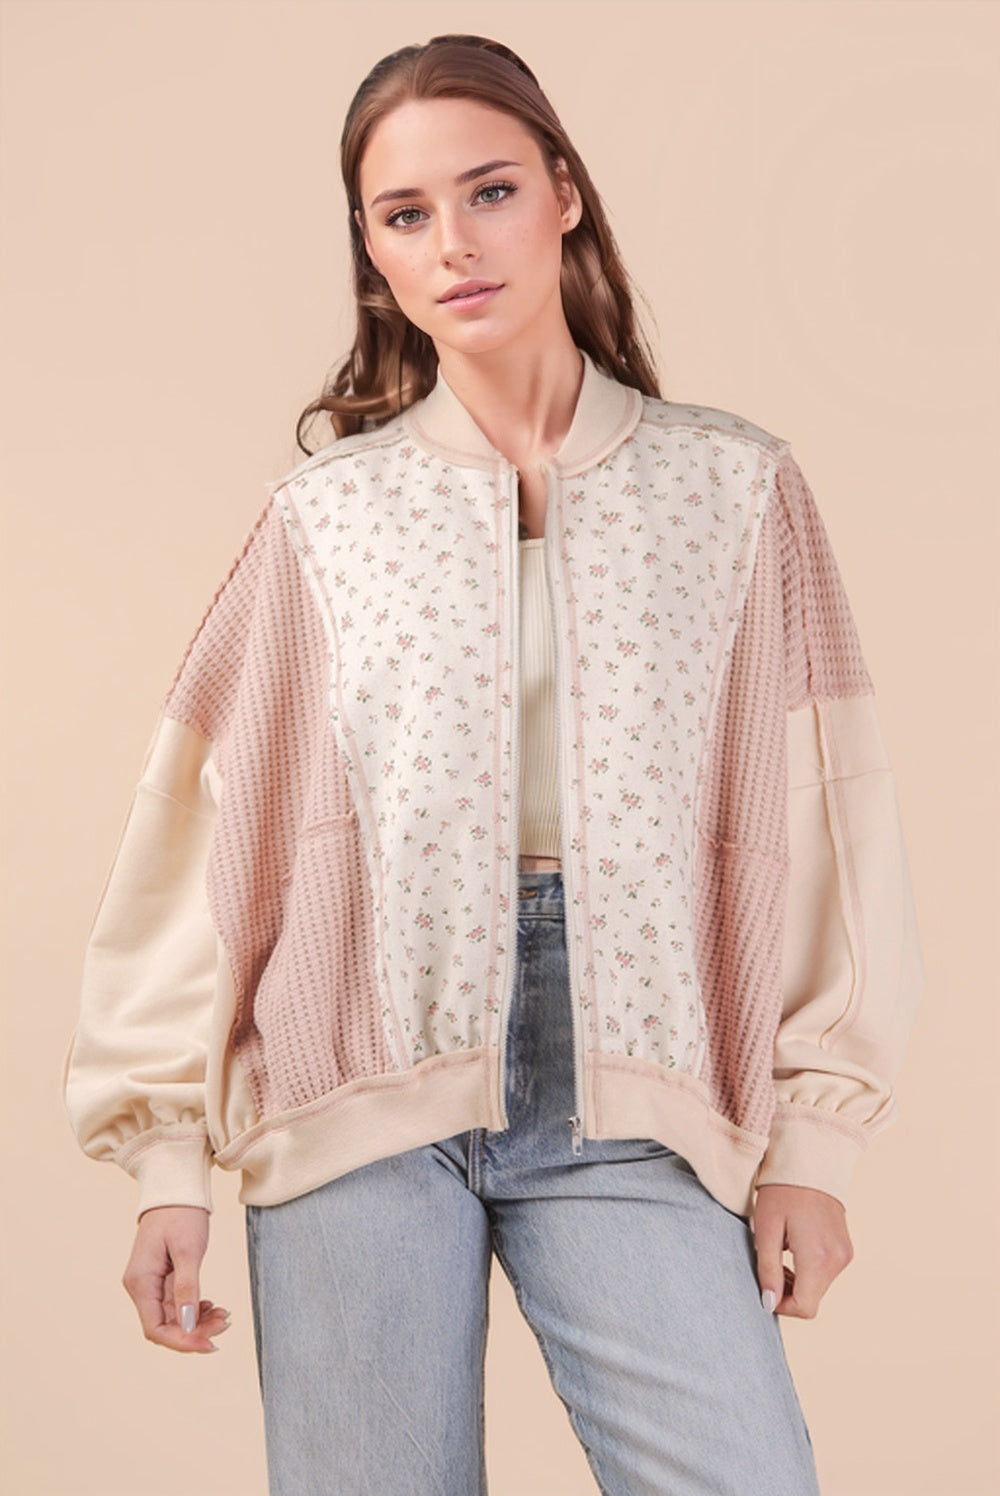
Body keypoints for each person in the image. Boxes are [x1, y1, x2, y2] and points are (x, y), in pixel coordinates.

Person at [63, 32, 925, 1496]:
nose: (454, 243)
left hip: (637, 1072)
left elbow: (831, 815)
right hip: (351, 1074)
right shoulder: (322, 522)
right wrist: (164, 1162)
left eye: (491, 191)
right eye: (406, 214)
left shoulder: (736, 489)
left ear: (565, 194)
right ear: (374, 251)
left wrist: (814, 1144)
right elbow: (204, 839)